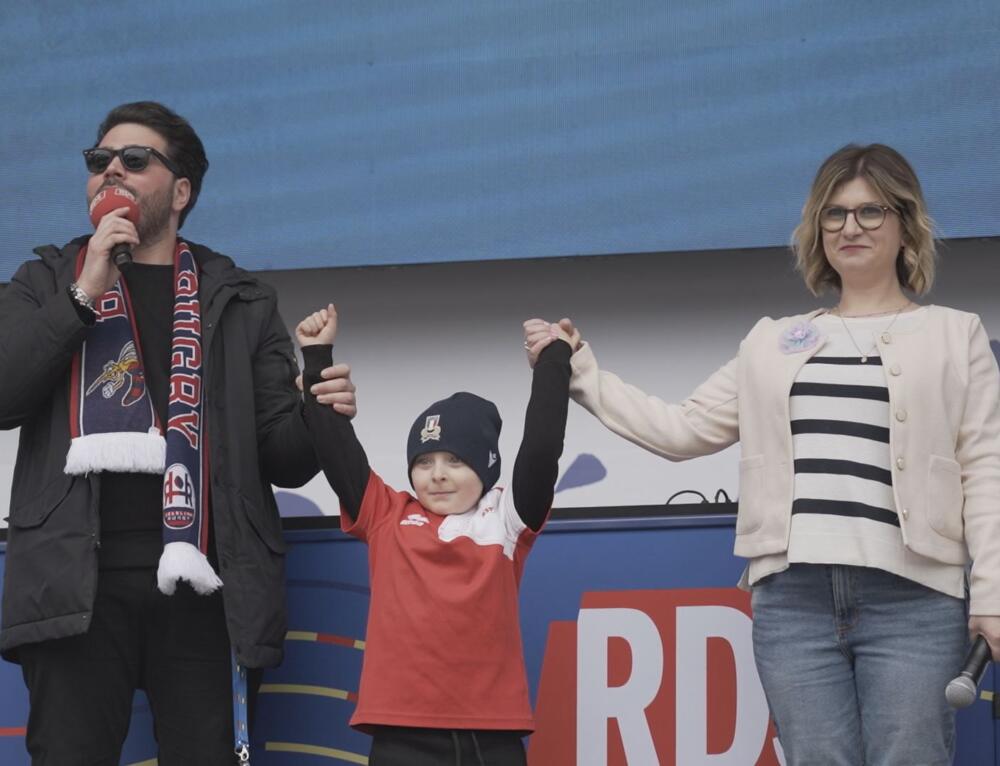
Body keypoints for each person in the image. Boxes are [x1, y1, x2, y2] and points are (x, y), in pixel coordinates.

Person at [524, 144, 1000, 765]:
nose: (850, 227)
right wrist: (581, 369)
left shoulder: (954, 334)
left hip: (914, 599)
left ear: (907, 226)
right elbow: (681, 429)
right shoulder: (772, 340)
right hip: (793, 602)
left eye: (871, 212)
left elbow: (985, 468)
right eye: (834, 214)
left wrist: (991, 592)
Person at [0, 101, 356, 765]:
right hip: (76, 586)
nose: (111, 171)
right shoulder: (45, 279)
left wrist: (317, 412)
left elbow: (283, 457)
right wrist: (82, 295)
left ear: (181, 190)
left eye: (134, 160)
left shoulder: (237, 298)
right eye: (97, 161)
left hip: (205, 588)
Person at [296, 304, 573, 765]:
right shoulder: (387, 514)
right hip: (402, 736)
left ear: (485, 469)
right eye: (424, 463)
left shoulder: (505, 516)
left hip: (493, 737)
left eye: (455, 461)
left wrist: (552, 362)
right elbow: (336, 450)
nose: (437, 475)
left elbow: (542, 447)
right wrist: (316, 355)